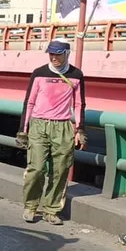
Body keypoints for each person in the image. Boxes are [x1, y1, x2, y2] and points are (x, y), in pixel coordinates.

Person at [16, 39, 87, 225]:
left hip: (62, 126)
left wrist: (80, 129)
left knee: (60, 170)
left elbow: (79, 104)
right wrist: (23, 131)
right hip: (39, 125)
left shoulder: (76, 75)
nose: (54, 57)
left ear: (66, 54)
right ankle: (30, 206)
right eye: (51, 54)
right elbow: (29, 102)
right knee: (36, 168)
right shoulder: (39, 73)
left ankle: (51, 210)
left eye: (58, 54)